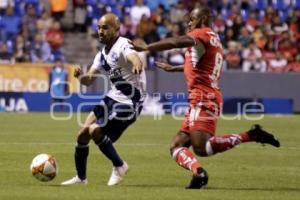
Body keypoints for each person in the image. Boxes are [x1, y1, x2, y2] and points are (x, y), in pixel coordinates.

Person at [131, 6, 280, 189]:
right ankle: (198, 173)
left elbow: (176, 42)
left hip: (204, 97)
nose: (189, 23)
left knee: (202, 148)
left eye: (192, 19)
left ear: (201, 20)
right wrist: (175, 68)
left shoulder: (201, 34)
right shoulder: (213, 38)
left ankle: (250, 135)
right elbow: (201, 65)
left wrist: (147, 47)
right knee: (176, 145)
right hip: (202, 97)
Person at [61, 13, 146, 186]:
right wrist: (80, 77)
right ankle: (81, 178)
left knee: (95, 131)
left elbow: (133, 56)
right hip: (112, 97)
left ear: (116, 29)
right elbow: (89, 80)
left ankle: (120, 166)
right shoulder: (101, 55)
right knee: (83, 134)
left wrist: (137, 63)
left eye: (105, 28)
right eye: (99, 28)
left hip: (130, 102)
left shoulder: (123, 44)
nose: (101, 31)